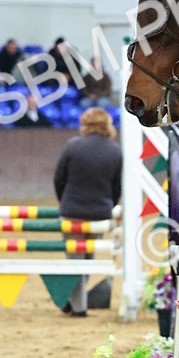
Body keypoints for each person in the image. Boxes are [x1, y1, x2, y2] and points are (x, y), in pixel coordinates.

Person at [53, 107, 122, 317]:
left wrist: (65, 201)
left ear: (85, 124)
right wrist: (109, 205)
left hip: (73, 210)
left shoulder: (73, 146)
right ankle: (74, 300)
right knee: (88, 258)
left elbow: (59, 178)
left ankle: (78, 307)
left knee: (75, 259)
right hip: (100, 212)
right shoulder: (115, 150)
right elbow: (117, 186)